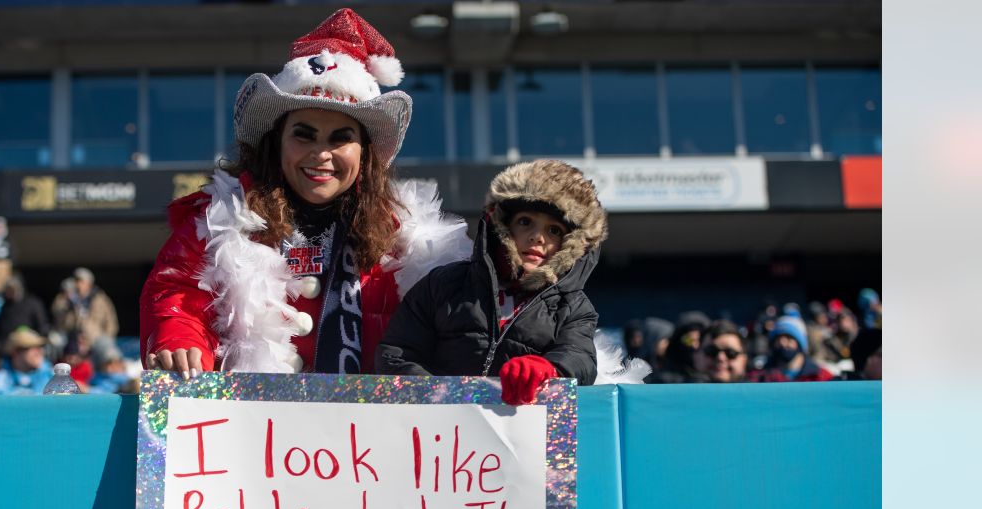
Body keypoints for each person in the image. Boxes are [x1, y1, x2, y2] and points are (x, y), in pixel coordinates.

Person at [139, 8, 470, 376]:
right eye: (304, 134)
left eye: (341, 139)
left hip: (368, 430)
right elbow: (177, 295)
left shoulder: (406, 238)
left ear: (365, 154)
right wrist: (178, 341)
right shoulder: (220, 219)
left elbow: (460, 331)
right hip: (253, 428)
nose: (321, 154)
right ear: (276, 142)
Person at [375, 159, 603, 400]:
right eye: (525, 222)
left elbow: (579, 356)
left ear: (572, 244)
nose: (537, 237)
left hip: (520, 431)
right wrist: (438, 395)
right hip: (441, 430)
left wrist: (549, 369)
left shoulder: (575, 307)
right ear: (502, 227)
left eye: (554, 230)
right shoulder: (443, 284)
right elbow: (396, 353)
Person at [747, 316, 834, 382]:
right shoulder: (760, 376)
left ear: (800, 344)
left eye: (789, 338)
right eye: (778, 338)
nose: (783, 343)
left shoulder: (821, 376)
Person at [0, 274, 51, 362]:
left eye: (11, 289)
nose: (8, 293)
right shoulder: (6, 306)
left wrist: (38, 345)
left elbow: (42, 326)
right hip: (7, 350)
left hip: (26, 349)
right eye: (7, 290)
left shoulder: (32, 303)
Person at [52, 267, 118, 346]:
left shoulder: (101, 299)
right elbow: (56, 312)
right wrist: (67, 299)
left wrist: (108, 339)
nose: (77, 284)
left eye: (81, 281)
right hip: (70, 338)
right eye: (75, 281)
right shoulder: (65, 297)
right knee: (55, 341)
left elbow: (111, 322)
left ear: (89, 283)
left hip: (94, 339)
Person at [0, 327, 54, 395]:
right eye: (32, 347)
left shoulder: (53, 377)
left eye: (40, 346)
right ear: (15, 353)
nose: (39, 351)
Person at [648, 311, 710, 384]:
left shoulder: (718, 373)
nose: (694, 345)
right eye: (688, 340)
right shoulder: (666, 380)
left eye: (699, 340)